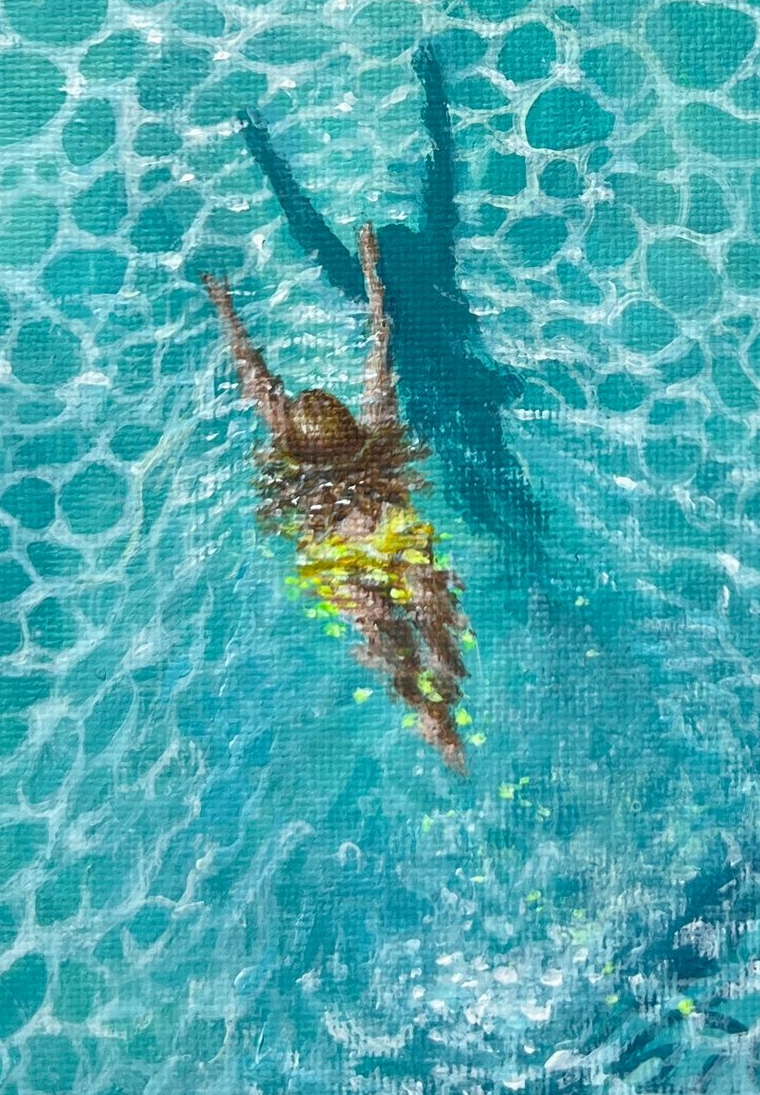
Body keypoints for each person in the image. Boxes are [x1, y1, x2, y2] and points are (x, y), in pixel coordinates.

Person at [238, 45, 543, 546]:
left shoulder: (361, 282)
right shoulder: (436, 258)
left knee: (468, 478)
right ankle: (531, 542)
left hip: (426, 397)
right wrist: (434, 89)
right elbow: (442, 175)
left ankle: (513, 545)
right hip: (470, 380)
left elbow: (303, 219)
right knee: (499, 463)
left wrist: (264, 150)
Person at [201, 226, 473, 773]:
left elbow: (257, 379)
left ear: (299, 443)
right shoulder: (376, 433)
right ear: (349, 428)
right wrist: (371, 274)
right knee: (429, 602)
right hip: (393, 538)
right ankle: (442, 700)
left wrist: (227, 312)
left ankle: (428, 714)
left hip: (334, 559)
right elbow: (381, 343)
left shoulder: (289, 457)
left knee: (378, 625)